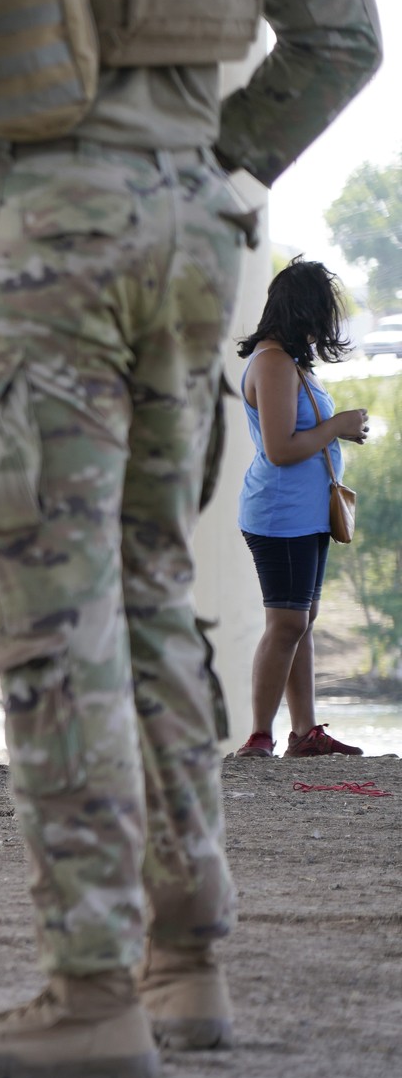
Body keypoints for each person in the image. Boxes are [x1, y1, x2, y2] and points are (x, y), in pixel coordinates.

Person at [0, 0, 380, 1078]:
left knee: (55, 609)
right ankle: (183, 961)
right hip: (190, 238)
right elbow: (342, 40)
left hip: (38, 223)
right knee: (146, 593)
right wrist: (198, 168)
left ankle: (89, 986)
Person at [230, 260, 370, 759]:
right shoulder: (271, 363)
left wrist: (338, 427)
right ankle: (260, 736)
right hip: (280, 513)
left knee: (301, 621)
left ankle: (305, 733)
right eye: (319, 314)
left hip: (306, 512)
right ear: (301, 311)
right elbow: (280, 449)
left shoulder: (289, 363)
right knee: (286, 623)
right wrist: (339, 425)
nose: (323, 327)